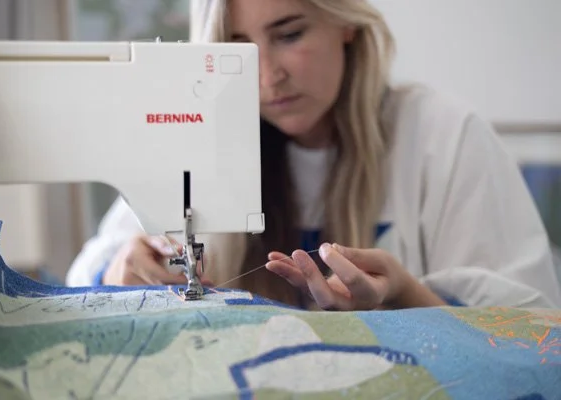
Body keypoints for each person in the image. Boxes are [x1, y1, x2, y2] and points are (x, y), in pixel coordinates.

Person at [66, 0, 561, 310]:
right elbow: (89, 271)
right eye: (239, 51)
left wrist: (406, 298)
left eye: (289, 35)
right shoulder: (198, 140)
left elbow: (530, 326)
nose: (267, 76)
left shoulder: (442, 136)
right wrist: (118, 271)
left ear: (344, 23)